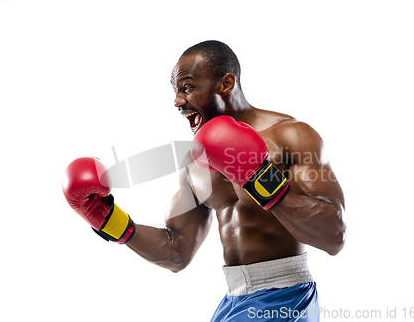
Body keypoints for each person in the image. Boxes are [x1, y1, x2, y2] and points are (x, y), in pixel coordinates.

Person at [62, 40, 346, 321]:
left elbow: (335, 236)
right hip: (233, 301)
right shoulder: (194, 162)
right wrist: (105, 218)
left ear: (226, 83)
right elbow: (177, 251)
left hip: (285, 297)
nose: (177, 101)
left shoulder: (291, 136)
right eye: (175, 91)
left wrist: (258, 176)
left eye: (187, 88)